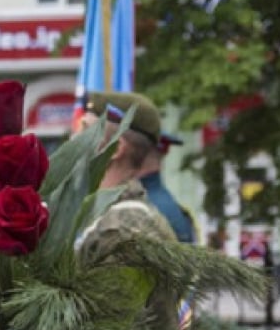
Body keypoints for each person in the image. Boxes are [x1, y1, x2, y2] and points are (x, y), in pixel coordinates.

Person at [83, 91, 197, 244]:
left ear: (116, 149)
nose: (73, 140)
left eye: (85, 131)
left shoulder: (132, 220)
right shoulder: (125, 210)